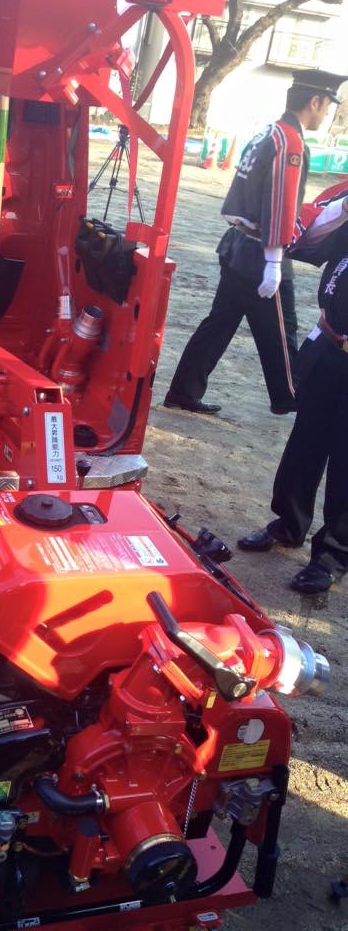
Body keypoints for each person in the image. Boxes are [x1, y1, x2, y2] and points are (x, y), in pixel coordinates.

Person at [164, 69, 346, 415]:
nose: (326, 114)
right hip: (263, 252)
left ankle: (184, 390)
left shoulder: (269, 132)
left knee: (219, 323)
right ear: (315, 101)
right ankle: (291, 397)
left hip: (237, 244)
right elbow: (280, 204)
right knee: (281, 331)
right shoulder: (291, 143)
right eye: (328, 106)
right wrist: (275, 261)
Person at [237, 182, 348, 594]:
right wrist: (342, 210)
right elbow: (305, 241)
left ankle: (333, 555)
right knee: (306, 442)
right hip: (330, 344)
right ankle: (288, 522)